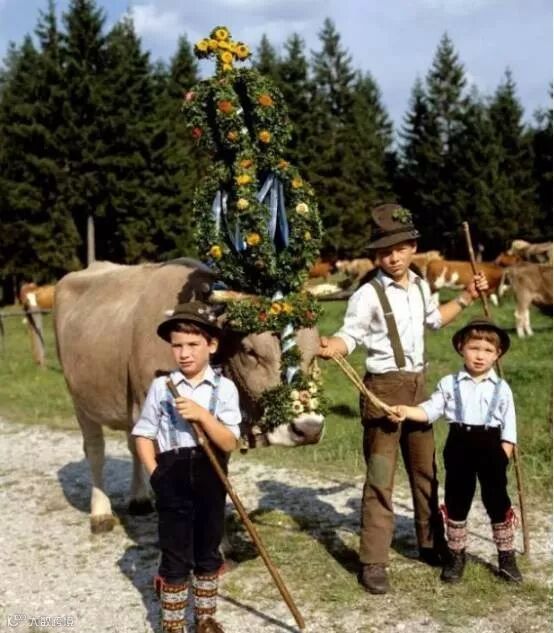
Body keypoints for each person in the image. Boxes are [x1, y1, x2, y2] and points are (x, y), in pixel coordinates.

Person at [318, 203, 488, 594]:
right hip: (382, 392)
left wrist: (466, 296)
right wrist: (333, 347)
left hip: (418, 390)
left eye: (399, 248)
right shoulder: (366, 295)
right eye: (384, 251)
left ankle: (430, 543)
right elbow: (350, 336)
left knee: (426, 471)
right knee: (381, 478)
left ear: (413, 247)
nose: (393, 257)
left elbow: (434, 320)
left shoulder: (421, 286)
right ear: (375, 256)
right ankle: (373, 561)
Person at [132, 301, 241, 633]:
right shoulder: (161, 387)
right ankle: (173, 624)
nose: (184, 353)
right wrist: (155, 473)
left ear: (212, 345)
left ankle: (205, 620)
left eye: (193, 344)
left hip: (211, 473)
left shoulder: (224, 388)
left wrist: (203, 416)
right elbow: (143, 434)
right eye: (177, 345)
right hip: (172, 474)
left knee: (208, 548)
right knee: (175, 553)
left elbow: (229, 442)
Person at [387, 317, 522, 584]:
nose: (480, 356)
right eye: (474, 348)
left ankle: (506, 557)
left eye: (487, 350)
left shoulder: (501, 388)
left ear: (497, 354)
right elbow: (430, 410)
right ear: (461, 348)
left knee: (497, 500)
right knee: (457, 500)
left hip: (491, 448)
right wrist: (406, 411)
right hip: (459, 446)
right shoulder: (450, 383)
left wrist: (503, 454)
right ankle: (456, 555)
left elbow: (510, 427)